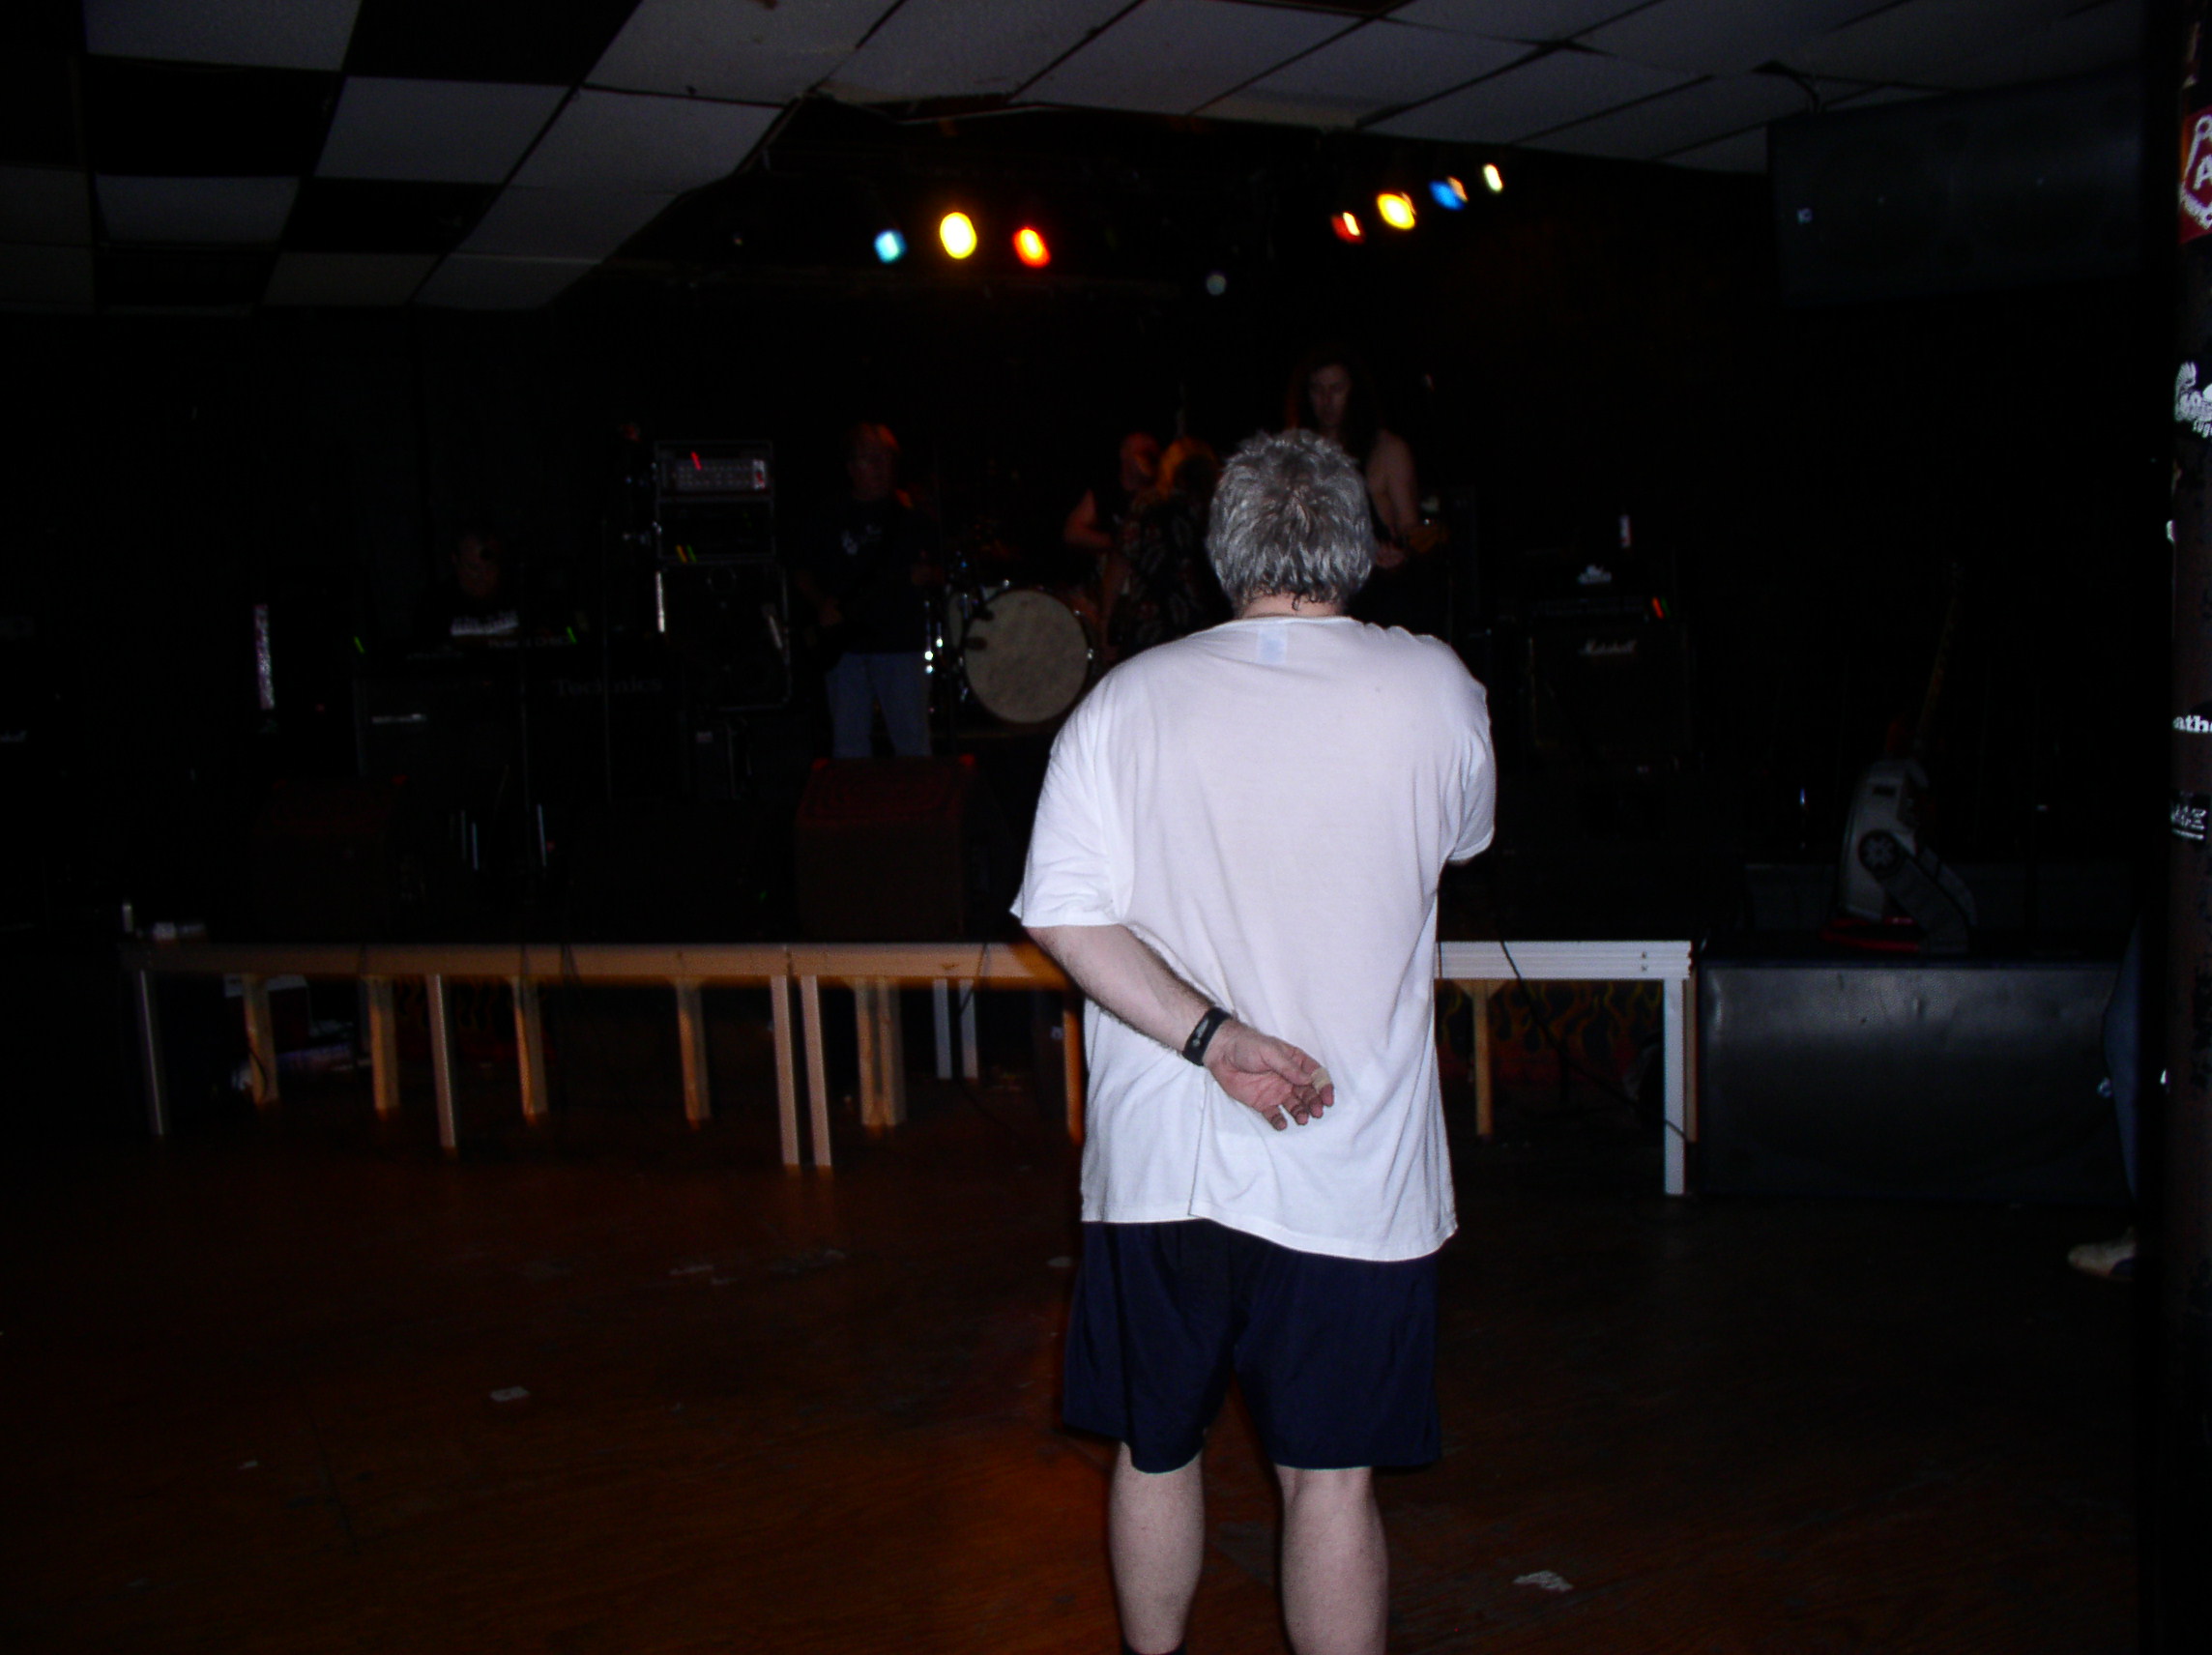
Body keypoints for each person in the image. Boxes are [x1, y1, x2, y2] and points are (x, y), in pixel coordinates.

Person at [1015, 429, 1497, 1655]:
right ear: (1359, 544)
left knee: (1155, 1447)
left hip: (1163, 1162)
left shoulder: (1126, 700)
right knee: (1329, 1480)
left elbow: (1059, 912)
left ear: (1221, 551)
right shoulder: (1436, 689)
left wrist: (1212, 1036)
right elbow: (1460, 840)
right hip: (1346, 1159)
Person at [792, 423, 942, 759]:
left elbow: (941, 568)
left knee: (912, 744)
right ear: (850, 467)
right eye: (870, 459)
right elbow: (801, 571)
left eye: (886, 458)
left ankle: (915, 795)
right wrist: (822, 604)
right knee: (849, 746)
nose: (880, 467)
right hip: (846, 647)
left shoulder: (911, 516)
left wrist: (927, 575)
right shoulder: (828, 515)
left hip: (900, 644)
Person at [1286, 346, 1434, 634]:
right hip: (1315, 602)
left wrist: (1398, 555)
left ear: (1355, 392)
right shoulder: (1295, 455)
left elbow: (1412, 532)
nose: (1326, 400)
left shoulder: (1387, 451)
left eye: (1336, 389)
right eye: (1317, 390)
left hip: (1374, 606)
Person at [1101, 437, 1227, 664]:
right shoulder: (1218, 511)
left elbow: (1119, 565)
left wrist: (1106, 623)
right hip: (1205, 625)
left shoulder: (1147, 505)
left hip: (1150, 626)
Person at [1064, 430, 1162, 564]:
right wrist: (1119, 542)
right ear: (1124, 453)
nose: (1149, 445)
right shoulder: (1106, 491)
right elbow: (1072, 533)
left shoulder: (1164, 496)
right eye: (1143, 453)